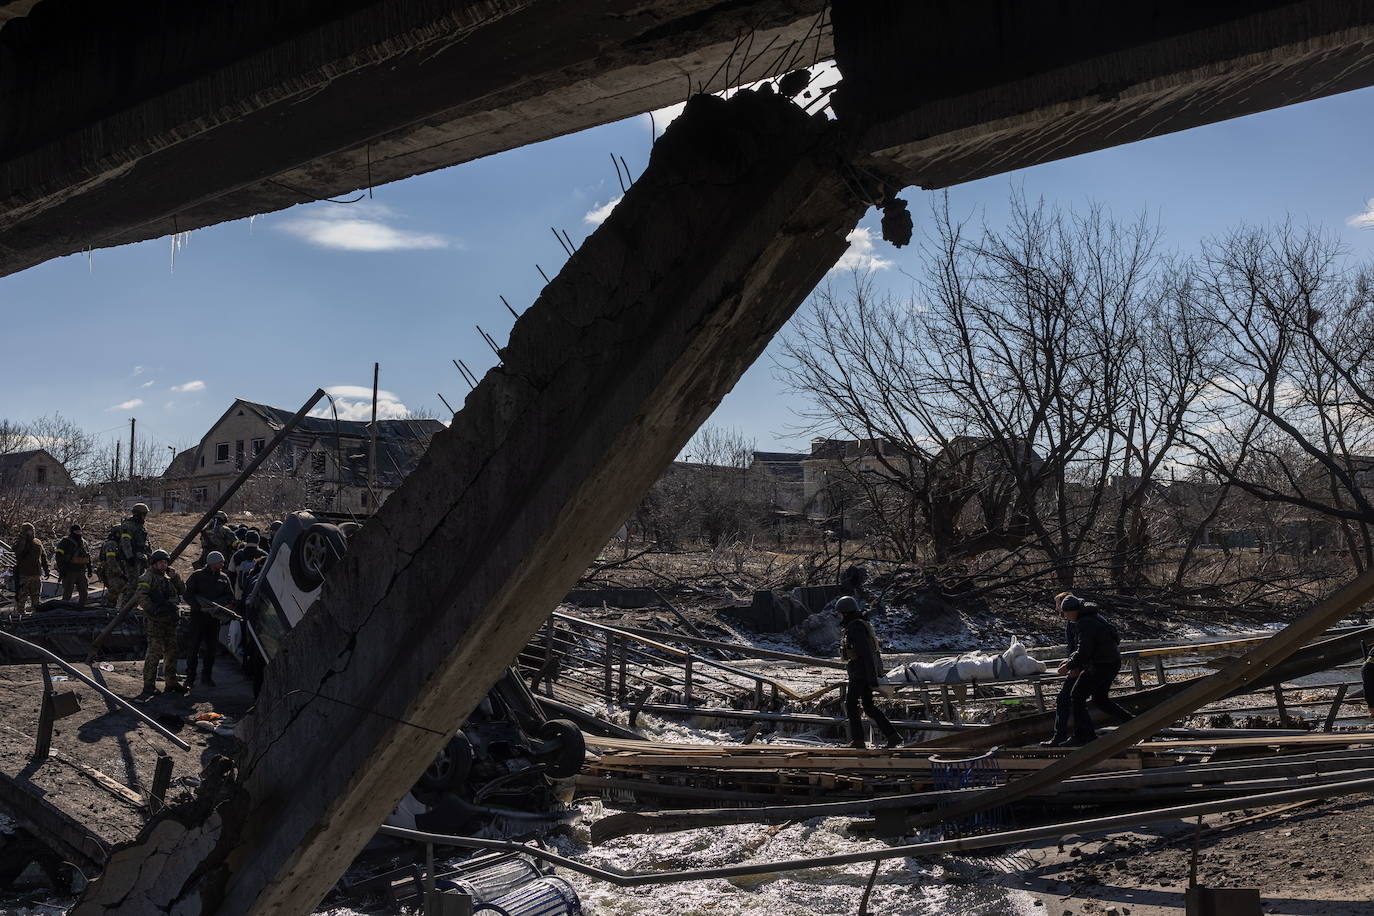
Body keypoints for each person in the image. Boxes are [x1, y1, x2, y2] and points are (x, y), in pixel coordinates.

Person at [1051, 594, 1132, 746]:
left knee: (1076, 696)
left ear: (1072, 610)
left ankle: (1084, 736)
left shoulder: (1084, 623)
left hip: (1100, 665)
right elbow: (1090, 646)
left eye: (1066, 614)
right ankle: (1133, 722)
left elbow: (1084, 651)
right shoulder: (1094, 616)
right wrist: (1070, 661)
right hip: (1111, 663)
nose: (1066, 618)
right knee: (1100, 700)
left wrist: (1069, 666)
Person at [837, 595, 901, 749]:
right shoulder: (858, 624)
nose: (839, 616)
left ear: (845, 613)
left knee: (851, 704)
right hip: (863, 672)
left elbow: (866, 653)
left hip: (860, 674)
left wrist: (872, 677)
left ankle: (858, 740)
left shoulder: (855, 628)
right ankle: (893, 736)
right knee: (868, 706)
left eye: (840, 613)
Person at [135, 549, 186, 696]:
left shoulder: (168, 576)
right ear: (155, 563)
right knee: (154, 654)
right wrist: (154, 610)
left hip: (170, 621)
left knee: (172, 652)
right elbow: (141, 596)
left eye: (166, 562)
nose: (164, 565)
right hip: (155, 621)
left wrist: (175, 577)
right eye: (161, 562)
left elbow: (183, 590)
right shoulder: (147, 577)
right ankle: (149, 686)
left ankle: (171, 683)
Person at [183, 551, 238, 689]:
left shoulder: (224, 578)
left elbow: (230, 596)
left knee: (211, 649)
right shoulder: (197, 576)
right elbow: (187, 594)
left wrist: (219, 605)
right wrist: (198, 607)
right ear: (212, 562)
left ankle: (206, 677)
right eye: (220, 562)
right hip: (198, 617)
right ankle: (190, 678)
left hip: (214, 619)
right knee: (193, 648)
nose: (222, 564)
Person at [116, 503, 154, 607]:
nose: (145, 517)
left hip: (141, 559)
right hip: (132, 560)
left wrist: (151, 556)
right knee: (132, 585)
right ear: (138, 514)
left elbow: (146, 543)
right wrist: (129, 557)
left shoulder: (141, 526)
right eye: (143, 514)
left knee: (140, 584)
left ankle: (133, 607)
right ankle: (124, 608)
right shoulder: (128, 525)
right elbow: (125, 542)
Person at [11, 522, 49, 616]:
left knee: (36, 596)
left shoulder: (37, 542)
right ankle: (20, 614)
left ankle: (35, 614)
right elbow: (18, 551)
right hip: (24, 574)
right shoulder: (19, 541)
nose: (31, 532)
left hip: (36, 574)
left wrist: (46, 569)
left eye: (32, 530)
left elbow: (43, 556)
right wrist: (24, 538)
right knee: (22, 597)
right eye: (28, 531)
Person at [54, 523, 92, 605]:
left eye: (79, 531)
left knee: (84, 593)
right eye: (76, 531)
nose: (78, 533)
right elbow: (58, 556)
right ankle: (63, 610)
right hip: (69, 571)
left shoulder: (84, 542)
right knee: (67, 593)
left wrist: (89, 569)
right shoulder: (65, 542)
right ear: (72, 532)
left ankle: (81, 608)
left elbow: (88, 556)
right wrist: (62, 570)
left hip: (81, 571)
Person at [230, 531, 266, 599]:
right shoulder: (264, 555)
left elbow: (231, 574)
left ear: (246, 540)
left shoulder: (237, 554)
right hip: (258, 596)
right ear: (258, 540)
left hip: (239, 593)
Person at [98, 526, 125, 605]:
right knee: (115, 590)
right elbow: (111, 560)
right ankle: (106, 606)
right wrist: (119, 572)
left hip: (115, 570)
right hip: (111, 571)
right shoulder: (111, 543)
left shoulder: (117, 543)